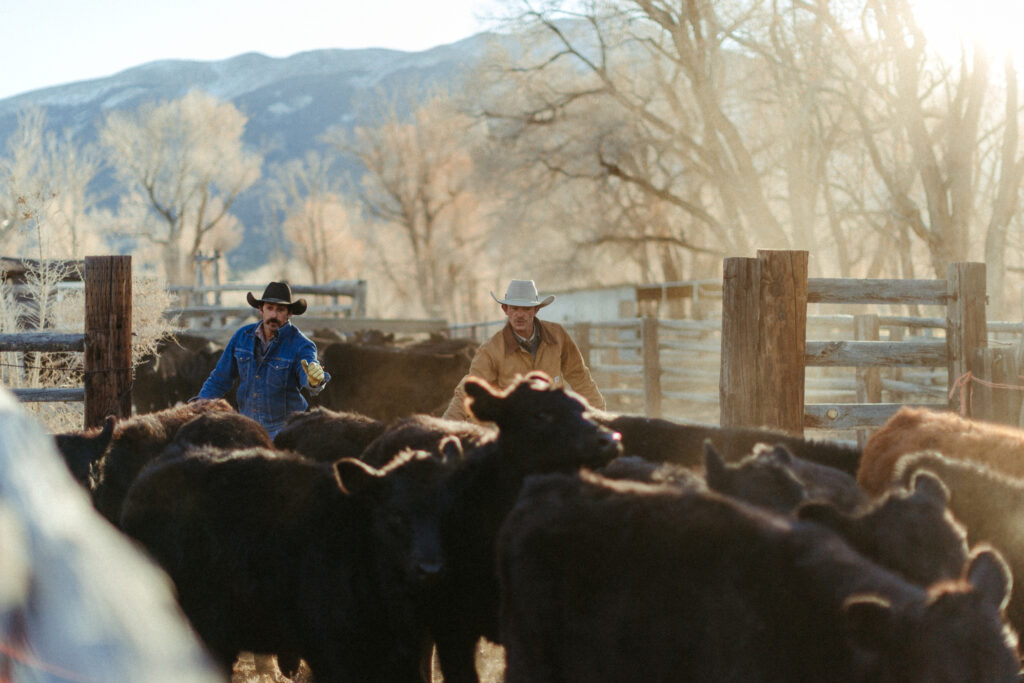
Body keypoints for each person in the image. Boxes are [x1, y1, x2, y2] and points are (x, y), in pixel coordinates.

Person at [443, 279, 605, 421]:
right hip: (514, 432)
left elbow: (579, 377)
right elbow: (467, 391)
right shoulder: (491, 350)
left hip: (552, 426)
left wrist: (601, 417)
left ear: (536, 310)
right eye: (515, 308)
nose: (520, 315)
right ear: (505, 310)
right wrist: (446, 428)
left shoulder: (557, 336)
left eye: (526, 309)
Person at [195, 281, 330, 438]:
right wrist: (199, 406)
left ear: (289, 313)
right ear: (261, 309)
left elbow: (308, 373)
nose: (274, 315)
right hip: (247, 428)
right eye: (270, 308)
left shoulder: (302, 345)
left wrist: (314, 379)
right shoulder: (242, 337)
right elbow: (220, 378)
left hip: (285, 431)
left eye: (280, 310)